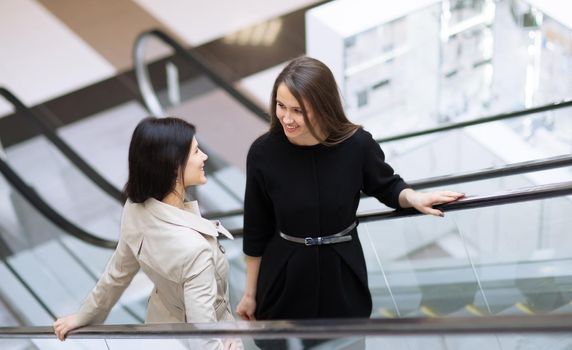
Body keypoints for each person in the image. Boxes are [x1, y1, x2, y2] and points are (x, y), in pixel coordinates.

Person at [235, 56, 464, 326]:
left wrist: (414, 197)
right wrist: (250, 294)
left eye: (298, 110)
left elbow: (387, 186)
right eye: (280, 105)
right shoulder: (263, 153)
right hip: (285, 275)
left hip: (341, 273)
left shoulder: (357, 145)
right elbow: (255, 231)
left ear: (322, 106)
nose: (286, 118)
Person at [53, 117, 240, 349]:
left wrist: (83, 317)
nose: (204, 157)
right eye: (195, 152)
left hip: (162, 334)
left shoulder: (135, 210)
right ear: (174, 166)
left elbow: (116, 275)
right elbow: (203, 333)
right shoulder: (195, 250)